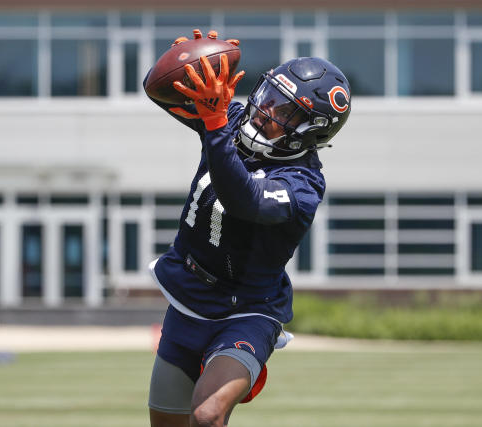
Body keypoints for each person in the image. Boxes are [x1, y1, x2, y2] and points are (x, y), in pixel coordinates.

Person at [145, 29, 351, 427]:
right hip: (189, 299)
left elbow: (245, 199)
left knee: (207, 415)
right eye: (270, 96)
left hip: (247, 312)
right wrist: (186, 69)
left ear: (312, 130)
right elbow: (158, 91)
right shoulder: (232, 120)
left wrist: (215, 122)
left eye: (285, 111)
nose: (265, 111)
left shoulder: (302, 184)